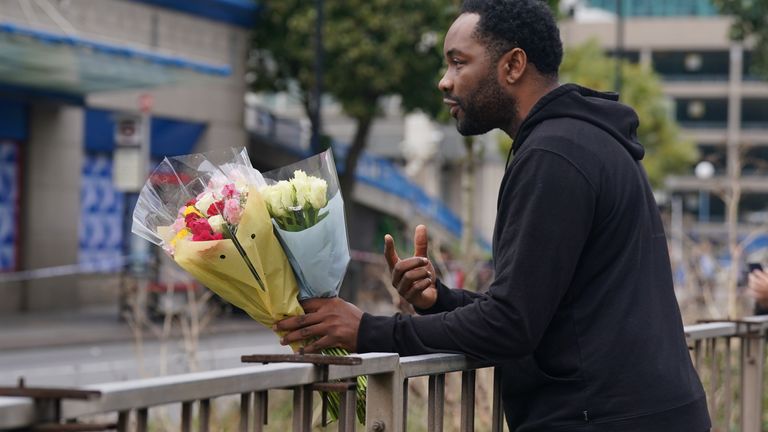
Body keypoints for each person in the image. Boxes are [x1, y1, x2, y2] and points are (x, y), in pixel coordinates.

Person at [275, 0, 711, 430]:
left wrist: (368, 331)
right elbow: (539, 309)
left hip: (604, 418)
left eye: (458, 63)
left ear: (513, 65)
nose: (445, 82)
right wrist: (438, 301)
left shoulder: (553, 154)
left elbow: (511, 327)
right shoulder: (580, 141)